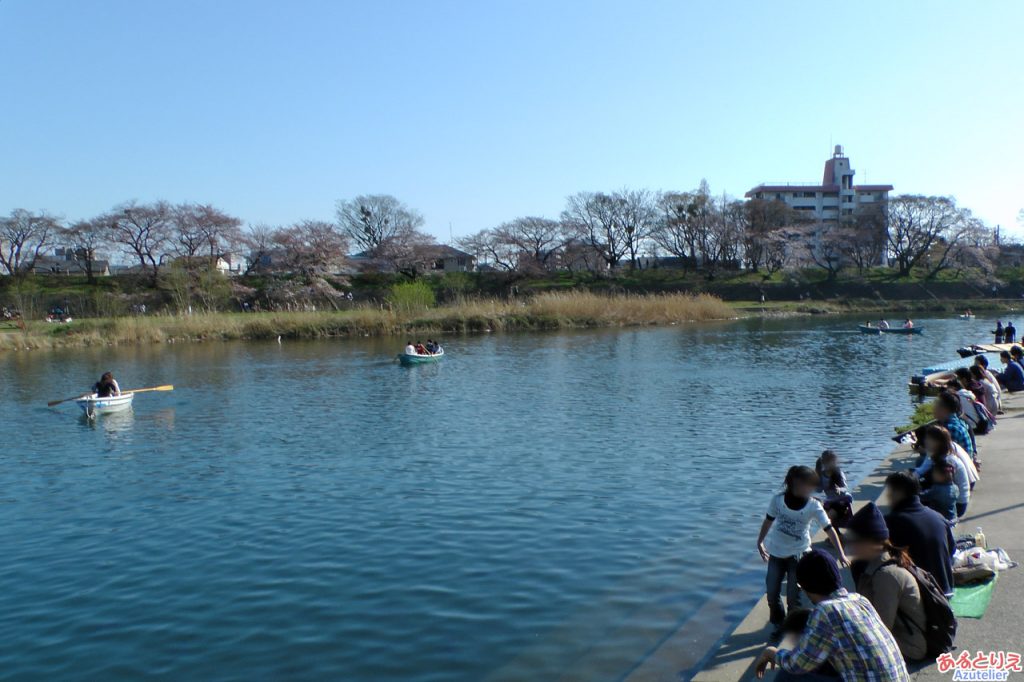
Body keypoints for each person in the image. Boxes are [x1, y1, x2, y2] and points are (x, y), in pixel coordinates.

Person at [754, 550, 909, 681]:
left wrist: (772, 653)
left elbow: (796, 664)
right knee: (825, 661)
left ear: (806, 588)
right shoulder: (860, 600)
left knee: (788, 675)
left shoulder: (825, 611)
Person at [756, 466, 849, 635]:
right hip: (776, 552)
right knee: (772, 593)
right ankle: (778, 623)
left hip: (799, 555)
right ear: (792, 483)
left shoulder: (813, 505)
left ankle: (792, 628)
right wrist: (760, 542)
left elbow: (829, 529)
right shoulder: (778, 500)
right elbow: (768, 521)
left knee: (793, 597)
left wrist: (841, 553)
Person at [846, 503, 929, 662]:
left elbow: (881, 629)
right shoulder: (881, 564)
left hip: (910, 646)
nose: (850, 546)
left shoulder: (886, 576)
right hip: (902, 637)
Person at [884, 472, 956, 598]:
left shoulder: (892, 522)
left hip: (923, 595)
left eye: (890, 491)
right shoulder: (937, 516)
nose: (888, 496)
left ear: (898, 492)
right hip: (946, 589)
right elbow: (952, 549)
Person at [912, 424, 971, 517]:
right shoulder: (935, 453)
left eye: (928, 439)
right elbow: (921, 470)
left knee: (924, 491)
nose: (925, 441)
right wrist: (909, 477)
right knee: (921, 477)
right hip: (949, 496)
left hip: (957, 504)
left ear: (937, 442)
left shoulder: (947, 461)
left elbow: (946, 490)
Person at [932, 392, 976, 462]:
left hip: (960, 467)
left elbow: (946, 455)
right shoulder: (958, 421)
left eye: (936, 405)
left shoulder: (951, 428)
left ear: (944, 409)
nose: (933, 408)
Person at [815, 450, 853, 527]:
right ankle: (836, 535)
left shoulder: (838, 473)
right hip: (830, 502)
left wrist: (839, 489)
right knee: (821, 518)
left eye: (833, 462)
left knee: (827, 518)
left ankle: (835, 535)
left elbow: (845, 488)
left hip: (842, 501)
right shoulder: (821, 475)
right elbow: (819, 490)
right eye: (828, 462)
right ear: (823, 463)